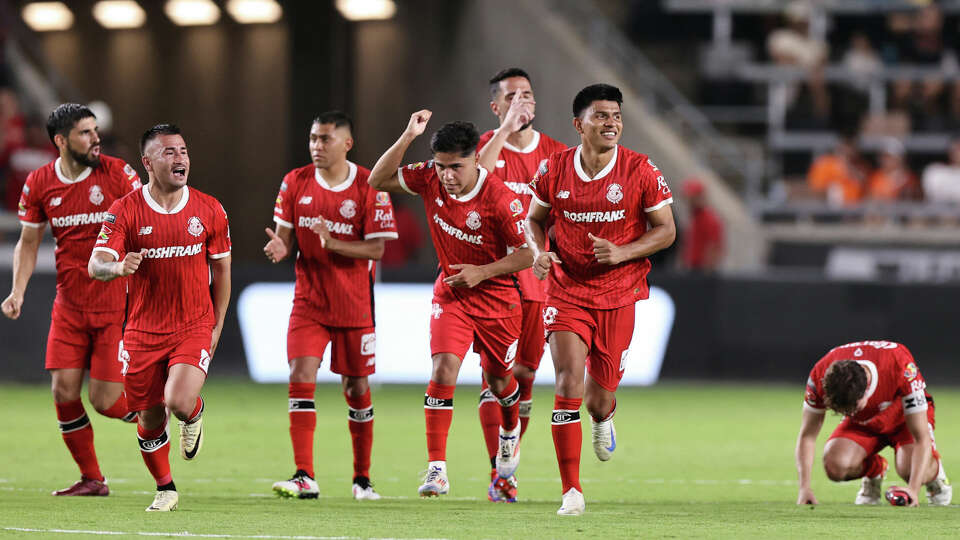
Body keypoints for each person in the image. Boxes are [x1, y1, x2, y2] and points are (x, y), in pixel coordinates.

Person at [525, 84, 676, 515]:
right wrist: (540, 253)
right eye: (601, 116)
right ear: (579, 125)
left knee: (597, 396)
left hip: (619, 292)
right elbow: (533, 220)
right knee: (568, 382)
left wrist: (623, 252)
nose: (611, 123)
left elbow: (666, 230)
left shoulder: (641, 170)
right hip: (567, 288)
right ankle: (571, 490)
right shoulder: (553, 169)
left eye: (616, 116)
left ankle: (603, 416)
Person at [368, 113, 533, 498]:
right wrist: (409, 134)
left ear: (476, 159)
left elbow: (527, 254)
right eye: (441, 166)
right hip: (452, 294)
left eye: (455, 167)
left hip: (498, 300)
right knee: (443, 371)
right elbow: (377, 180)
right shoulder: (429, 178)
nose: (446, 175)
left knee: (498, 381)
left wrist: (482, 272)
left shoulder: (501, 200)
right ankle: (437, 469)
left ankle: (509, 429)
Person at [88, 124, 231, 512]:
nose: (180, 157)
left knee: (178, 400)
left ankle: (194, 413)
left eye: (183, 150)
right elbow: (95, 262)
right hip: (142, 331)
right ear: (147, 162)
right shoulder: (126, 209)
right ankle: (165, 487)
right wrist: (116, 268)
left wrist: (216, 326)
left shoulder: (209, 209)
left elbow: (222, 272)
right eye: (168, 152)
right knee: (149, 419)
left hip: (192, 324)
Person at [2, 103, 140, 497]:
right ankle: (93, 479)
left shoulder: (119, 174)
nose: (95, 138)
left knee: (105, 401)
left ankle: (157, 409)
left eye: (95, 130)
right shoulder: (40, 182)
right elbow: (28, 242)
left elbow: (149, 219)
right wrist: (18, 291)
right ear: (61, 141)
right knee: (63, 391)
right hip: (69, 304)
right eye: (85, 132)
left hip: (114, 301)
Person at [263, 111, 398, 501]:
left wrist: (332, 243)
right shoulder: (295, 181)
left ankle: (362, 479)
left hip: (355, 306)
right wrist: (279, 247)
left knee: (356, 388)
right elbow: (285, 239)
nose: (316, 146)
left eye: (324, 139)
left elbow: (376, 248)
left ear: (346, 144)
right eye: (312, 138)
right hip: (309, 302)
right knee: (300, 374)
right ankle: (304, 475)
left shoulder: (370, 184)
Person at [475, 67, 567, 502]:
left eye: (527, 94)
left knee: (527, 375)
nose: (522, 102)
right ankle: (499, 469)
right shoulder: (481, 149)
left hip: (536, 280)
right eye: (512, 97)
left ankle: (506, 468)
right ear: (496, 107)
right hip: (492, 278)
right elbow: (472, 185)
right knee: (496, 376)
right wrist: (504, 131)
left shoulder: (557, 155)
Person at [795, 340, 951, 507]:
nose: (847, 414)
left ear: (867, 389)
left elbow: (921, 438)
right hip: (864, 422)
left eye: (851, 408)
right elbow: (807, 436)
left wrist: (913, 489)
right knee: (836, 465)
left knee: (908, 469)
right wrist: (804, 488)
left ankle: (936, 478)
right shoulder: (820, 374)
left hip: (903, 418)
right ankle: (875, 471)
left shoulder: (899, 365)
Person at [679, 179, 723, 273]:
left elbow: (713, 247)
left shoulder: (709, 218)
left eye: (692, 197)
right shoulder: (695, 217)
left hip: (701, 271)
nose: (689, 201)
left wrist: (707, 271)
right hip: (693, 269)